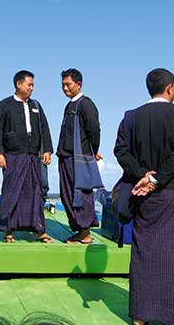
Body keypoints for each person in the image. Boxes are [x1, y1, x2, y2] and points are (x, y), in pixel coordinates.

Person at [114, 68, 174, 325]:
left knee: (143, 251)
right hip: (171, 193)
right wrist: (156, 179)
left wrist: (142, 175)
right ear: (170, 88)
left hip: (141, 194)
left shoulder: (130, 117)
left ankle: (140, 316)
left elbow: (120, 151)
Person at [0, 70, 54, 243]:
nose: (32, 88)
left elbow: (44, 128)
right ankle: (8, 231)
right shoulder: (4, 105)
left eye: (33, 85)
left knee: (36, 193)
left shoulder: (36, 105)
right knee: (11, 192)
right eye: (29, 84)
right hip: (12, 156)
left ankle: (39, 230)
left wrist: (47, 149)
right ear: (19, 84)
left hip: (33, 156)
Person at [56, 68, 101, 244]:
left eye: (68, 84)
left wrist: (92, 150)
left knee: (81, 193)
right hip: (66, 156)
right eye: (63, 85)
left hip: (79, 158)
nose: (65, 88)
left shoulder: (86, 104)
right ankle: (80, 230)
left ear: (79, 84)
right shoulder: (69, 105)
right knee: (67, 194)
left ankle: (85, 232)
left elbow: (94, 131)